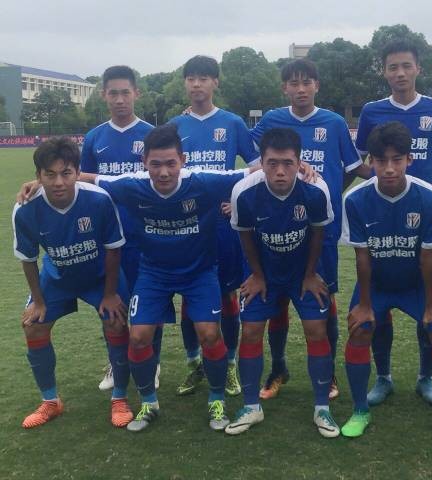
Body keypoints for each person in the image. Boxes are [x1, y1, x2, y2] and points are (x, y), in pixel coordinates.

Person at [90, 123, 249, 432]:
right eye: (155, 164)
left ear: (182, 161)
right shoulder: (132, 185)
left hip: (199, 272)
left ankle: (216, 400)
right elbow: (87, 178)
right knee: (138, 336)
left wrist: (302, 168)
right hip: (154, 273)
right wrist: (37, 183)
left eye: (170, 163)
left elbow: (255, 172)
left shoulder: (203, 181)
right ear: (144, 163)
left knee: (210, 334)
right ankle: (149, 403)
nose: (163, 172)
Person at [354, 39, 432, 406]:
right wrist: (372, 183)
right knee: (379, 307)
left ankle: (425, 377)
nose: (400, 73)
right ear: (384, 72)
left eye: (406, 66)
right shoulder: (372, 111)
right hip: (382, 219)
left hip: (425, 223)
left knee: (429, 302)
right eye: (393, 67)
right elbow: (358, 163)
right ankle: (383, 377)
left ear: (418, 68)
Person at [251, 58, 371, 401]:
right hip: (277, 223)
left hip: (320, 227)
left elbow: (354, 167)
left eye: (307, 82)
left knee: (323, 296)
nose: (301, 89)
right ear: (284, 88)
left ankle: (327, 372)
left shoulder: (333, 122)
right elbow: (252, 159)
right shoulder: (271, 120)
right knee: (276, 298)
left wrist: (330, 192)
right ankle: (278, 368)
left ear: (317, 85)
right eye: (294, 83)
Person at [341, 122, 432, 440]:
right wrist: (365, 305)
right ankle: (362, 407)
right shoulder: (355, 199)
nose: (389, 168)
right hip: (377, 284)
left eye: (397, 159)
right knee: (361, 327)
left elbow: (428, 258)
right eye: (381, 160)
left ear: (409, 159)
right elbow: (362, 257)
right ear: (371, 161)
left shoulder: (429, 198)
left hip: (417, 284)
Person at [226, 128, 338, 438]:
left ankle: (321, 408)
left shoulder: (316, 189)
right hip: (265, 273)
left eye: (288, 163)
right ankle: (251, 407)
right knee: (250, 330)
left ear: (299, 162)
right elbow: (245, 234)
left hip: (303, 272)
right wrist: (257, 275)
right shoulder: (244, 192)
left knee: (316, 329)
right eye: (272, 163)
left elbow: (318, 232)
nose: (279, 171)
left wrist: (310, 274)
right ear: (260, 162)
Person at [13, 137, 132, 429]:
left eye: (66, 173)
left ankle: (119, 398)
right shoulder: (25, 209)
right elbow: (28, 259)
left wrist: (109, 294)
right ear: (38, 176)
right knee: (33, 325)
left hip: (99, 276)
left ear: (78, 172)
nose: (58, 182)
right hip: (58, 276)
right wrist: (38, 301)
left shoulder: (98, 199)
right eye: (50, 174)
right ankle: (50, 401)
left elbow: (113, 249)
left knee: (115, 320)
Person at [169, 55, 259, 398]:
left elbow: (257, 169)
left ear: (215, 82)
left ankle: (230, 363)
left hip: (223, 226)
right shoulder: (175, 126)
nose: (197, 84)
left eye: (204, 78)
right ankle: (194, 363)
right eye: (191, 78)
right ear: (185, 83)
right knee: (189, 296)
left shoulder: (233, 123)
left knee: (226, 294)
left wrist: (237, 202)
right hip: (186, 226)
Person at [81, 65, 161, 392]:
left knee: (149, 303)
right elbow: (82, 184)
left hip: (146, 234)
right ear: (104, 95)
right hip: (108, 238)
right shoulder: (94, 138)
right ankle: (116, 364)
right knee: (111, 303)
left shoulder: (152, 135)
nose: (119, 99)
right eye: (112, 93)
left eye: (125, 92)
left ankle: (153, 361)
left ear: (136, 93)